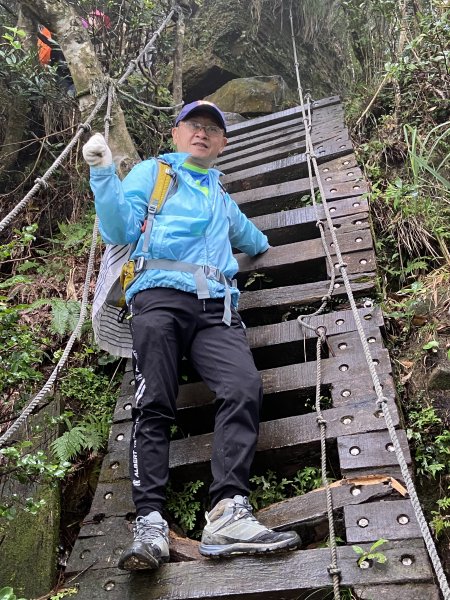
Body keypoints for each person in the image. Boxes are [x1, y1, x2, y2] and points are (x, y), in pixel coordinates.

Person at [82, 100, 301, 571]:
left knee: (243, 387)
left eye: (212, 129)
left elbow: (254, 241)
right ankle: (151, 522)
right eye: (193, 125)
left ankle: (226, 512)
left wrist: (265, 245)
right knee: (155, 400)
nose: (202, 133)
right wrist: (103, 173)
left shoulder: (221, 196)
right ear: (176, 133)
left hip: (215, 305)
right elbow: (118, 227)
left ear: (223, 143)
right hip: (158, 294)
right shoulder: (151, 172)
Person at [37, 25, 75, 96]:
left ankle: (69, 95)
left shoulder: (44, 31)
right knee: (63, 74)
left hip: (50, 59)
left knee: (62, 76)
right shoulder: (47, 30)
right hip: (53, 55)